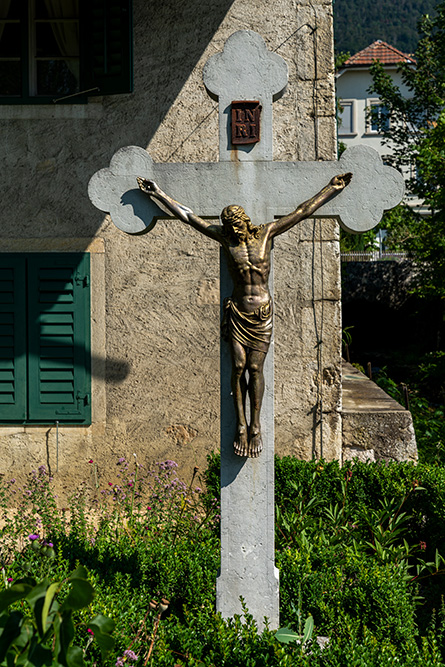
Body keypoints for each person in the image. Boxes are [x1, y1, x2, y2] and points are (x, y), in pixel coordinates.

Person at [137, 173, 352, 458]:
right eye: (229, 226)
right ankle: (240, 424)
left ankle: (256, 426)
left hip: (262, 312)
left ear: (245, 222)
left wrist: (331, 188)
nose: (234, 230)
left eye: (236, 225)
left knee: (255, 369)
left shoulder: (267, 233)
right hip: (238, 311)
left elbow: (302, 211)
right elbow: (188, 217)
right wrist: (159, 194)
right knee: (238, 367)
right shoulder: (225, 240)